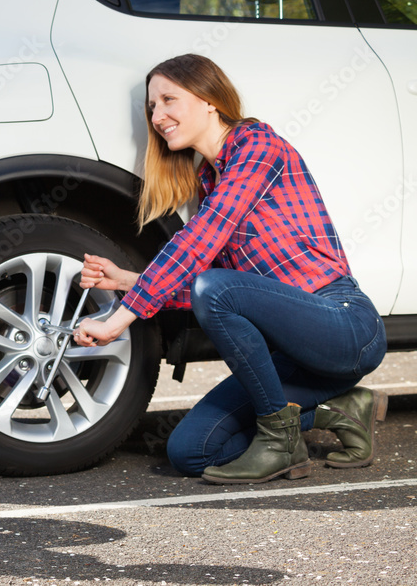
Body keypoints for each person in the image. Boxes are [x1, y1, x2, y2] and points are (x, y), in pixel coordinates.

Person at [72, 54, 387, 484]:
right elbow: (215, 295)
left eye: (168, 99)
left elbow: (205, 250)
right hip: (291, 358)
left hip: (344, 325)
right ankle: (341, 410)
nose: (157, 116)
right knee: (192, 452)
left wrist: (118, 320)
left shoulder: (257, 144)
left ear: (209, 101)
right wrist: (128, 282)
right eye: (151, 107)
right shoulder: (210, 183)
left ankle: (281, 445)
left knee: (214, 285)